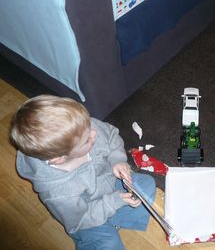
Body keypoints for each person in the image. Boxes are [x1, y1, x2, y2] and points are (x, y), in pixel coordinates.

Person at [9, 95, 156, 250]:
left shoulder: (83, 129)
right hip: (84, 216)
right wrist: (113, 202)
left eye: (89, 125)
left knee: (146, 184)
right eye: (87, 140)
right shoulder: (57, 192)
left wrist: (117, 160)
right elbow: (78, 220)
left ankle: (113, 221)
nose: (94, 133)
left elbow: (111, 134)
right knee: (108, 245)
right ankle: (102, 229)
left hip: (110, 186)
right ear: (59, 159)